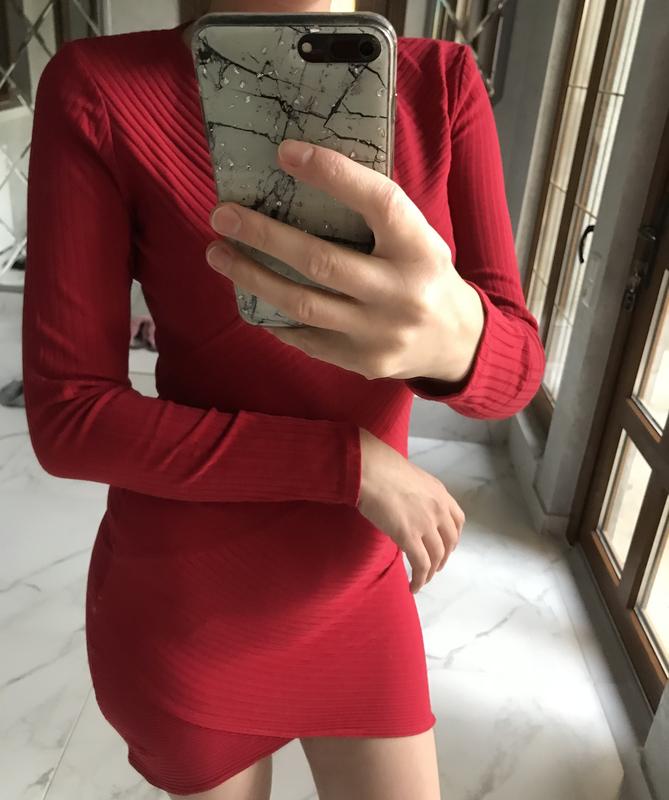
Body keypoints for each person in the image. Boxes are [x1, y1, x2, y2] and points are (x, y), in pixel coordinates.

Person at [22, 0, 546, 797]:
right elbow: (71, 420)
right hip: (194, 604)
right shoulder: (102, 88)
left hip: (360, 587)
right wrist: (349, 465)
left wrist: (459, 340)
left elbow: (514, 379)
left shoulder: (441, 86)